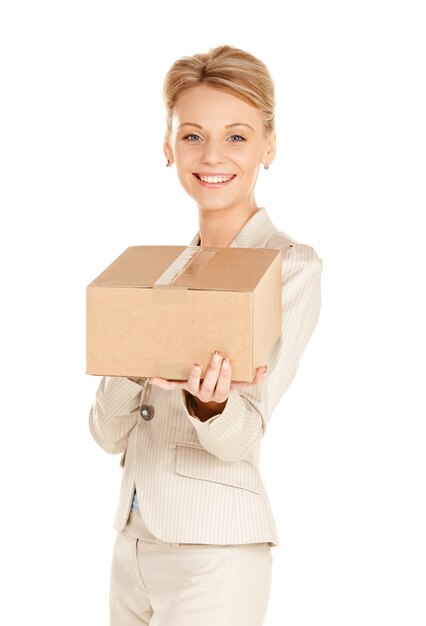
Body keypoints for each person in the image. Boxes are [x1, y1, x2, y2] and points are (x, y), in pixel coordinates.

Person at [88, 44, 323, 626]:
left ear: (270, 145)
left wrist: (209, 403)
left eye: (237, 136)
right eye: (192, 135)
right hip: (133, 543)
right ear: (167, 145)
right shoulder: (155, 274)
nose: (212, 154)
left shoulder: (289, 266)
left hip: (214, 552)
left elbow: (242, 437)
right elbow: (105, 432)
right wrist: (133, 362)